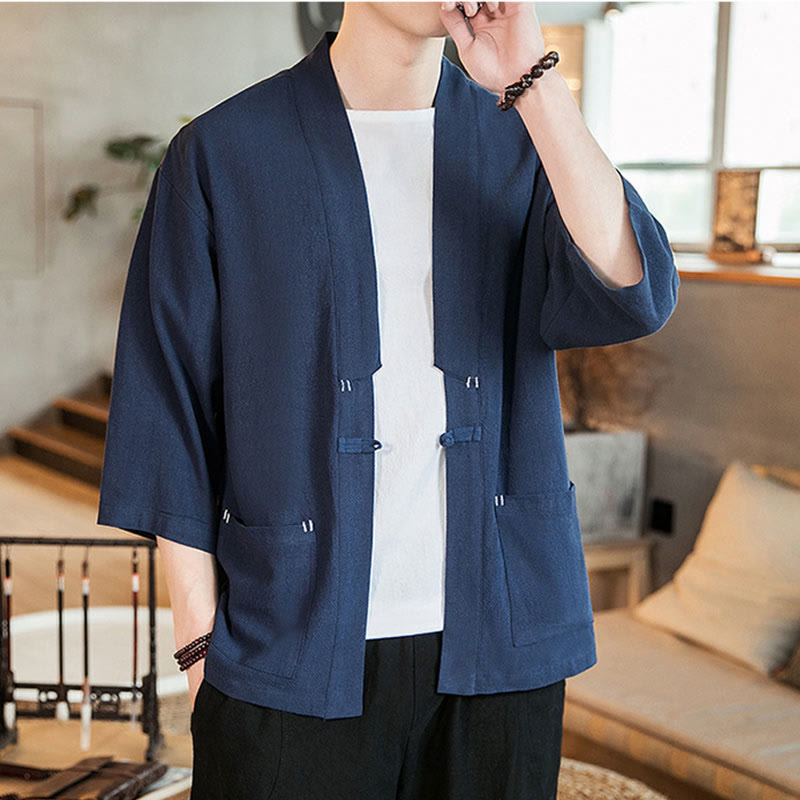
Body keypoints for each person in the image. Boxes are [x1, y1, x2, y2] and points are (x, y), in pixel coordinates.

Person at [97, 2, 680, 798]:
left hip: (501, 644)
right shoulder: (225, 152)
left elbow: (632, 292)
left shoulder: (523, 134)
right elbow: (168, 410)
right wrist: (199, 645)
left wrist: (532, 83)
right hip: (288, 641)